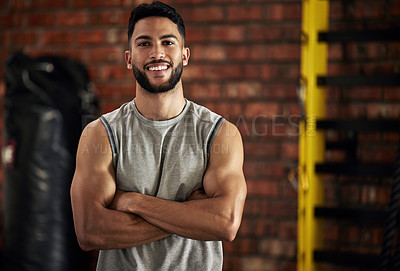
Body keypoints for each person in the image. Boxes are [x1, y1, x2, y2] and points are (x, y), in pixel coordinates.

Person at [70, 1, 247, 270]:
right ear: (129, 59)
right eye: (144, 44)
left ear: (185, 55)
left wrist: (133, 201)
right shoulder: (101, 134)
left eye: (167, 42)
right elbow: (89, 231)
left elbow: (225, 223)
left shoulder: (219, 134)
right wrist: (191, 214)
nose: (156, 53)